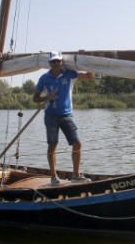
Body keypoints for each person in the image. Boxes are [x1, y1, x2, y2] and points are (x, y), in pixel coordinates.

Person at [33, 51, 94, 183]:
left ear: (61, 62)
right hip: (50, 116)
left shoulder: (69, 74)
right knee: (52, 145)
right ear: (50, 63)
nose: (56, 63)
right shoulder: (44, 78)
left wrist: (86, 60)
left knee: (77, 143)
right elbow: (35, 98)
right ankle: (54, 177)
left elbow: (90, 76)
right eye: (53, 61)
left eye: (58, 61)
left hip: (66, 115)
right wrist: (47, 97)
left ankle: (76, 175)